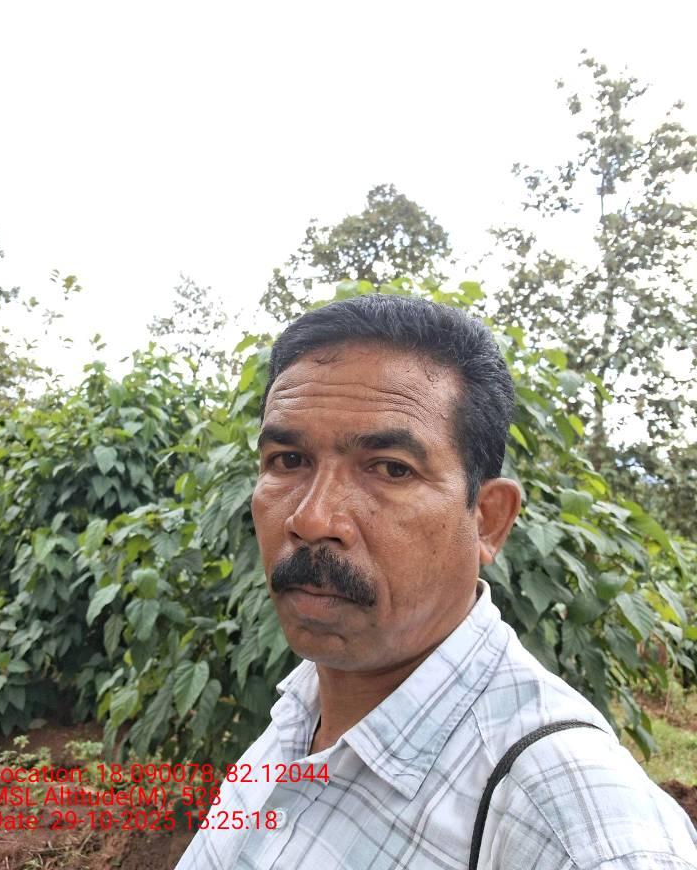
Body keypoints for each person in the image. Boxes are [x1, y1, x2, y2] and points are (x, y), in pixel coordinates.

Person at [175, 295, 697, 869]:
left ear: (488, 520)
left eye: (391, 469)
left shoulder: (574, 829)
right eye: (288, 460)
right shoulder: (303, 709)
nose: (312, 519)